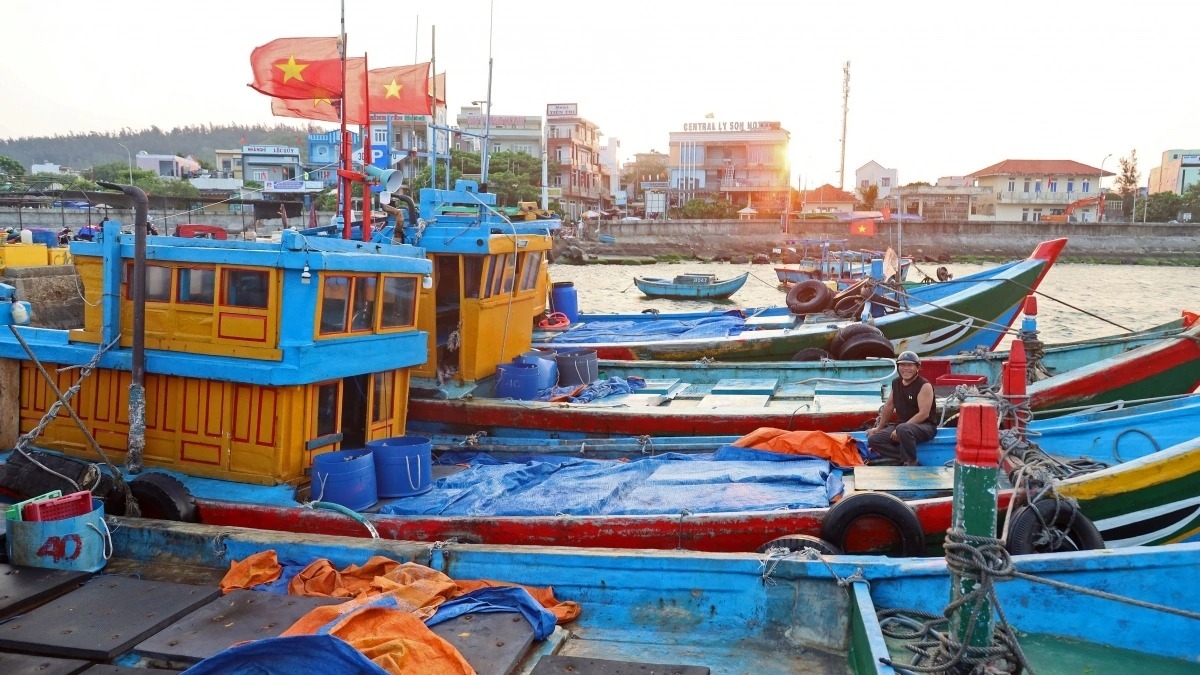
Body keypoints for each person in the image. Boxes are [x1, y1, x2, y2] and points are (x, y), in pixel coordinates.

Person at [867, 350, 937, 466]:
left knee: (903, 429)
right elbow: (889, 405)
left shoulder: (924, 385)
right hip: (902, 426)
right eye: (902, 365)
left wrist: (901, 428)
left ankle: (911, 461)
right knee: (874, 440)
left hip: (925, 426)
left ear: (917, 367)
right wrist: (879, 428)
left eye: (910, 365)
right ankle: (901, 457)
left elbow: (924, 414)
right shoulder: (896, 383)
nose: (905, 368)